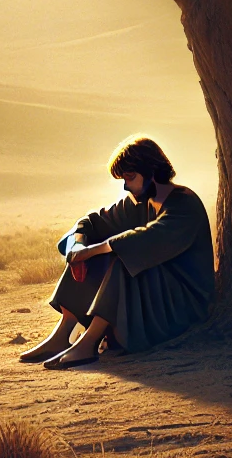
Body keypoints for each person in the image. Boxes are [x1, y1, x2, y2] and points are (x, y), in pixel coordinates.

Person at [19, 136, 214, 369]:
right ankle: (63, 334)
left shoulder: (184, 203)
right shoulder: (139, 202)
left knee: (124, 256)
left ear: (150, 170)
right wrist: (79, 249)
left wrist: (95, 250)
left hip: (180, 306)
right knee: (95, 253)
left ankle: (89, 342)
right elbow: (91, 223)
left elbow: (147, 240)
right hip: (151, 298)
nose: (125, 186)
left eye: (130, 177)